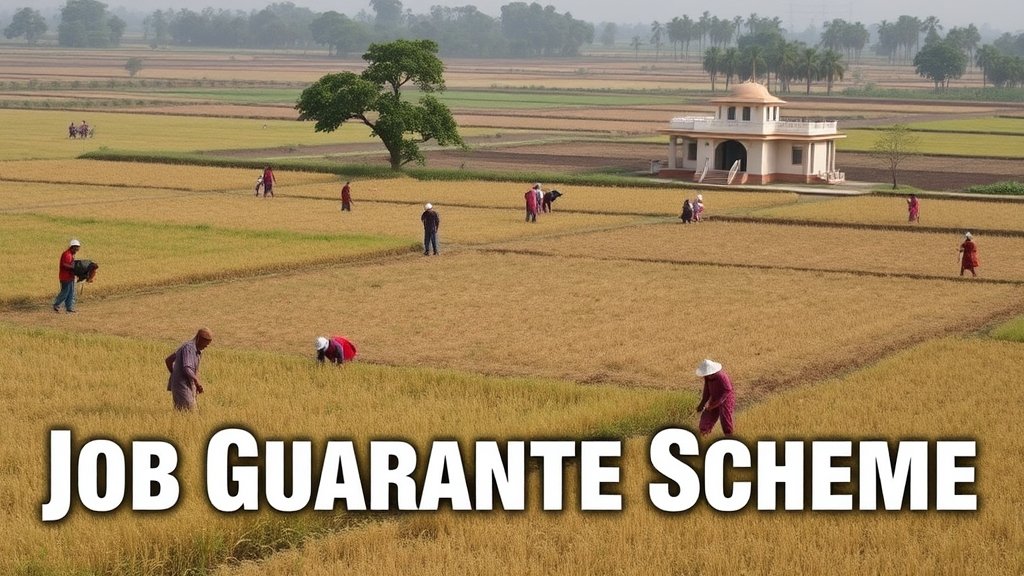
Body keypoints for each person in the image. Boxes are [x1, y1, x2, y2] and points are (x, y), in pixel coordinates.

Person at [165, 328, 213, 411]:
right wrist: (196, 381)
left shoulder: (197, 351)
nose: (206, 346)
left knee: (189, 412)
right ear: (198, 338)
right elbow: (187, 368)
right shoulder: (188, 348)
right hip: (182, 386)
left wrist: (174, 375)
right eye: (205, 343)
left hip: (189, 385)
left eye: (208, 344)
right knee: (188, 412)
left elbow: (169, 360)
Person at [695, 359, 735, 436]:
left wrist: (714, 405)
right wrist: (702, 404)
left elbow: (727, 391)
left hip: (725, 399)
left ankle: (729, 436)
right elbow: (707, 391)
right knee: (707, 415)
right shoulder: (707, 378)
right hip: (714, 397)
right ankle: (704, 432)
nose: (707, 375)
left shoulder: (722, 376)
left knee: (725, 418)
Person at [53, 239, 81, 313]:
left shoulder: (71, 254)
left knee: (71, 293)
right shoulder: (67, 254)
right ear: (72, 247)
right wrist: (74, 268)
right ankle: (56, 304)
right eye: (76, 248)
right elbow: (64, 264)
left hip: (70, 277)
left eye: (78, 248)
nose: (77, 250)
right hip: (65, 277)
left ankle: (69, 308)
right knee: (65, 292)